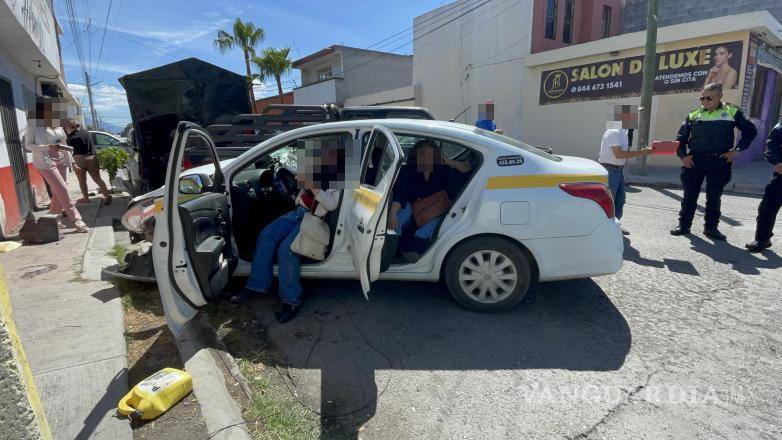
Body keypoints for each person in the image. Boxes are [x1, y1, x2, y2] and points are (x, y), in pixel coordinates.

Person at [231, 144, 344, 323]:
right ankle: (256, 286)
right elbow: (300, 188)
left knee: (287, 250)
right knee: (267, 235)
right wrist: (300, 179)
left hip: (313, 219)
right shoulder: (317, 171)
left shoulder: (339, 180)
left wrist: (313, 188)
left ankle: (291, 300)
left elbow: (331, 205)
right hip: (298, 213)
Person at [670, 83, 757, 240]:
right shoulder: (694, 114)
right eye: (702, 98)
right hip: (695, 160)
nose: (705, 101)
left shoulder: (731, 111)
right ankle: (683, 225)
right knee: (689, 195)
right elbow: (681, 138)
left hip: (719, 160)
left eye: (709, 98)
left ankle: (711, 228)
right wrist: (683, 156)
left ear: (719, 97)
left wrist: (737, 150)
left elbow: (750, 131)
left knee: (714, 196)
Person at [388, 139, 473, 259]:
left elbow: (468, 169)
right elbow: (400, 193)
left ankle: (415, 246)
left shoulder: (442, 169)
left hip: (436, 210)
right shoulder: (408, 171)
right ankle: (391, 247)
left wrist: (449, 161)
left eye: (430, 153)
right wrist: (393, 213)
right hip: (415, 207)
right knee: (401, 214)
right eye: (422, 153)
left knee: (442, 219)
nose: (426, 157)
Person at [25, 101, 88, 233]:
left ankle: (54, 218)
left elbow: (63, 142)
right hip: (45, 161)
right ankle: (77, 220)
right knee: (63, 189)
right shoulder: (34, 125)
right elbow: (28, 146)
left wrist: (72, 161)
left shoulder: (57, 124)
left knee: (58, 191)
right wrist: (48, 147)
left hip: (61, 159)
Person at [599, 106, 653, 233]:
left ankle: (615, 226)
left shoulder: (623, 132)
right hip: (610, 171)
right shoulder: (614, 131)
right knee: (609, 201)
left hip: (618, 171)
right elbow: (619, 154)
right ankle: (604, 229)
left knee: (620, 200)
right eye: (633, 115)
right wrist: (641, 152)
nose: (635, 118)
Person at [745, 122, 782, 252]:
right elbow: (772, 144)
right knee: (767, 208)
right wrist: (777, 162)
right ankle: (762, 239)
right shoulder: (780, 128)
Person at [62, 118, 112, 205]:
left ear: (70, 127)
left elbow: (68, 150)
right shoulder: (87, 133)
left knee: (82, 180)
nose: (66, 129)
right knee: (97, 178)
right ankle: (107, 194)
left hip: (79, 159)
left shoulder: (70, 137)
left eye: (66, 127)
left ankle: (86, 198)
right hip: (92, 157)